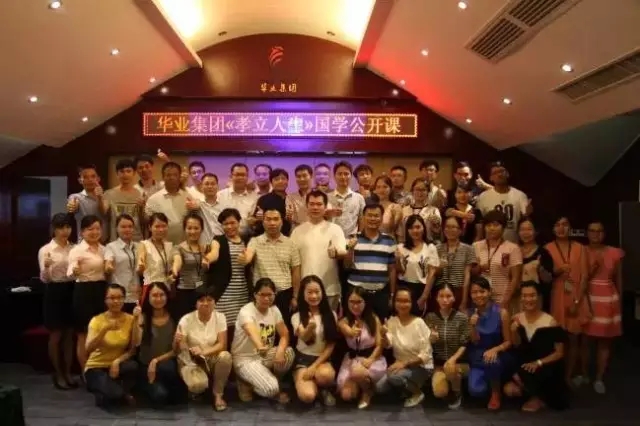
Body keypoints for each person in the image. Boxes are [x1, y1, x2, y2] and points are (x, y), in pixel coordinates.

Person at [504, 281, 568, 412]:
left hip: (546, 365)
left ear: (538, 297)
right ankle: (531, 392)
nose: (528, 299)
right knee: (508, 390)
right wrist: (514, 331)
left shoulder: (550, 322)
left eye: (532, 295)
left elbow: (559, 353)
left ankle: (540, 396)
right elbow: (516, 344)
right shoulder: (517, 318)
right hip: (526, 363)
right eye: (525, 296)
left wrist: (538, 363)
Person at [231, 278, 295, 404]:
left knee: (288, 353)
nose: (266, 298)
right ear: (255, 295)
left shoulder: (274, 310)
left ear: (275, 295)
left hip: (264, 355)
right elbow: (250, 330)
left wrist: (280, 351)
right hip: (245, 359)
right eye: (262, 295)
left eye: (270, 295)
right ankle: (245, 381)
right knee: (271, 389)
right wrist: (260, 346)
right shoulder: (246, 311)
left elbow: (284, 334)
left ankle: (272, 380)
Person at [175, 286, 232, 411]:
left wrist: (204, 352)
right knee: (198, 385)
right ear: (195, 303)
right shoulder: (186, 319)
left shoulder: (220, 317)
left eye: (209, 300)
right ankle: (198, 389)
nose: (206, 303)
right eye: (201, 300)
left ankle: (218, 395)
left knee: (225, 356)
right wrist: (192, 351)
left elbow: (222, 344)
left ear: (214, 302)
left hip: (210, 357)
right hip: (191, 359)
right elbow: (181, 347)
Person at [583, 220, 624, 394]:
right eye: (592, 230)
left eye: (599, 231)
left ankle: (599, 378)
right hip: (587, 297)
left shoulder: (615, 253)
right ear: (587, 233)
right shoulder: (581, 251)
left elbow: (619, 279)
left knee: (604, 342)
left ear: (604, 233)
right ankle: (584, 374)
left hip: (608, 299)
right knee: (585, 340)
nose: (596, 234)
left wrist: (619, 302)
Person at [376, 287, 433, 408]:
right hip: (401, 365)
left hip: (421, 366)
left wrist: (404, 364)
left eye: (406, 301)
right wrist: (383, 335)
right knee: (379, 388)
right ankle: (406, 388)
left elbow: (426, 355)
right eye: (399, 300)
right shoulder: (392, 321)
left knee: (394, 377)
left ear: (412, 303)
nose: (402, 304)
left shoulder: (419, 323)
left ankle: (417, 393)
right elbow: (387, 345)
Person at [84, 284, 140, 407]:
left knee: (133, 366)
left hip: (117, 366)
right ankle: (117, 392)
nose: (116, 301)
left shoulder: (130, 319)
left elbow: (133, 349)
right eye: (112, 298)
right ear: (105, 300)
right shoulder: (97, 320)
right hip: (96, 367)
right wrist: (104, 330)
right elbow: (88, 349)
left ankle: (112, 390)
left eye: (120, 298)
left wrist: (117, 361)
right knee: (115, 395)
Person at [38, 213, 77, 389]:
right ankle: (58, 373)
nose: (65, 231)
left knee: (69, 335)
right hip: (54, 291)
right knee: (56, 335)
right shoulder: (46, 250)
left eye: (68, 227)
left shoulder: (74, 248)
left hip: (71, 290)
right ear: (54, 229)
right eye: (61, 227)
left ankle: (68, 373)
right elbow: (44, 279)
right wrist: (46, 267)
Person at [465, 277, 513, 410]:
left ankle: (496, 393)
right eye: (474, 292)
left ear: (489, 292)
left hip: (498, 354)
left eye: (482, 291)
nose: (478, 295)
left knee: (493, 361)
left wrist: (495, 350)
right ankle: (495, 381)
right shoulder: (469, 314)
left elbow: (509, 341)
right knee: (476, 390)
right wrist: (472, 326)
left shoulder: (501, 313)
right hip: (478, 356)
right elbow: (474, 340)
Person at [67, 215, 108, 370]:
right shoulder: (77, 250)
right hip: (84, 292)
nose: (94, 232)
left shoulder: (104, 249)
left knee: (100, 333)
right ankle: (86, 372)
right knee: (83, 334)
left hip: (101, 291)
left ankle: (98, 369)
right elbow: (71, 269)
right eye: (90, 229)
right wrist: (74, 270)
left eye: (97, 228)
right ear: (82, 232)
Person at [291, 276, 339, 406]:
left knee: (326, 376)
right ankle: (304, 382)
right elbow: (304, 337)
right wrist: (310, 327)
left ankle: (322, 387)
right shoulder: (297, 316)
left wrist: (314, 366)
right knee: (307, 396)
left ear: (322, 292)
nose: (314, 296)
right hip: (303, 360)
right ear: (303, 294)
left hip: (322, 360)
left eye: (317, 292)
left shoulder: (331, 315)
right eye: (309, 292)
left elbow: (330, 344)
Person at [336, 286, 386, 409]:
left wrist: (371, 359)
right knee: (346, 395)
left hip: (371, 359)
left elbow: (379, 345)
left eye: (359, 302)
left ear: (365, 302)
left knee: (357, 372)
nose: (355, 306)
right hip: (352, 359)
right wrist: (350, 331)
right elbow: (343, 327)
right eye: (352, 302)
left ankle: (367, 392)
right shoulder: (345, 321)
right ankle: (360, 386)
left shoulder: (374, 319)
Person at [137, 282, 182, 406]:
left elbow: (176, 350)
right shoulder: (142, 318)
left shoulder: (174, 318)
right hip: (146, 366)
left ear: (167, 296)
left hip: (166, 363)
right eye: (154, 295)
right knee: (159, 397)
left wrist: (156, 360)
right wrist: (136, 321)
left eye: (161, 295)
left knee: (176, 396)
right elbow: (135, 344)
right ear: (148, 298)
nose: (158, 299)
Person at [426, 284, 470, 410]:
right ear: (436, 298)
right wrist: (430, 339)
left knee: (450, 368)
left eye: (448, 296)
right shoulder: (430, 317)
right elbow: (424, 343)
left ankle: (457, 392)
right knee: (440, 392)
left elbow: (464, 343)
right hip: (439, 364)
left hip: (459, 363)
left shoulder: (461, 318)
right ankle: (448, 388)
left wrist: (453, 359)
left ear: (454, 298)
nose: (445, 300)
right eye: (441, 296)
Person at [395, 214, 439, 315]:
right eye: (411, 228)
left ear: (424, 228)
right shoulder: (400, 247)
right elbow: (400, 271)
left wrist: (424, 296)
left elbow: (432, 274)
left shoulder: (430, 247)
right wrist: (397, 260)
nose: (415, 230)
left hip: (421, 289)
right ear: (407, 230)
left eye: (418, 227)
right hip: (403, 287)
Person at [104, 214, 141, 313]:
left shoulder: (139, 247)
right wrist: (108, 266)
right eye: (123, 227)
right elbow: (108, 261)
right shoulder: (111, 247)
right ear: (117, 228)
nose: (127, 229)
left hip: (136, 294)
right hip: (118, 295)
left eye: (130, 226)